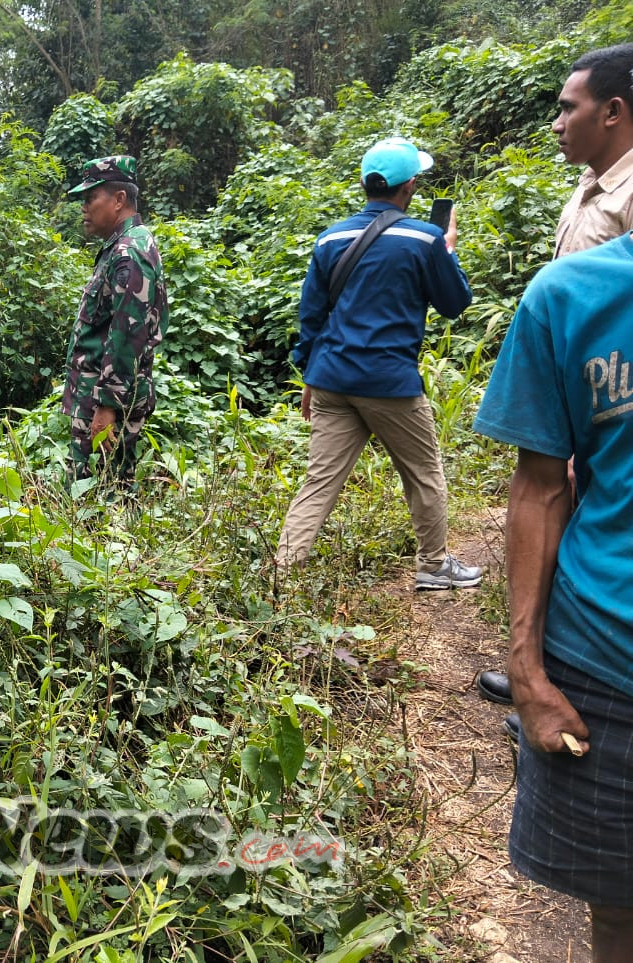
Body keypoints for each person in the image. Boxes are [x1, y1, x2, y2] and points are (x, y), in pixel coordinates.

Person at [471, 228, 633, 962]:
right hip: (607, 660)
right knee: (619, 904)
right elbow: (539, 486)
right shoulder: (568, 296)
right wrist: (528, 673)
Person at [477, 42, 633, 707]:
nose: (556, 122)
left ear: (614, 111)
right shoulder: (590, 185)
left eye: (569, 108)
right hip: (573, 409)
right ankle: (538, 671)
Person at [276, 138, 481, 590]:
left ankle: (282, 575)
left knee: (319, 482)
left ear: (366, 184)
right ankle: (433, 565)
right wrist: (447, 248)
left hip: (330, 378)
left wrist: (310, 374)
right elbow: (454, 303)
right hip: (389, 382)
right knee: (424, 473)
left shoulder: (331, 238)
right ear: (409, 187)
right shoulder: (424, 238)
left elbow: (311, 315)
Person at [60, 155, 168, 486]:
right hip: (100, 397)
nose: (84, 207)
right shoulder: (122, 246)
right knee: (102, 495)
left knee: (100, 498)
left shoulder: (128, 253)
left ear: (119, 200)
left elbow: (127, 337)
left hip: (106, 404)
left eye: (91, 197)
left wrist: (107, 406)